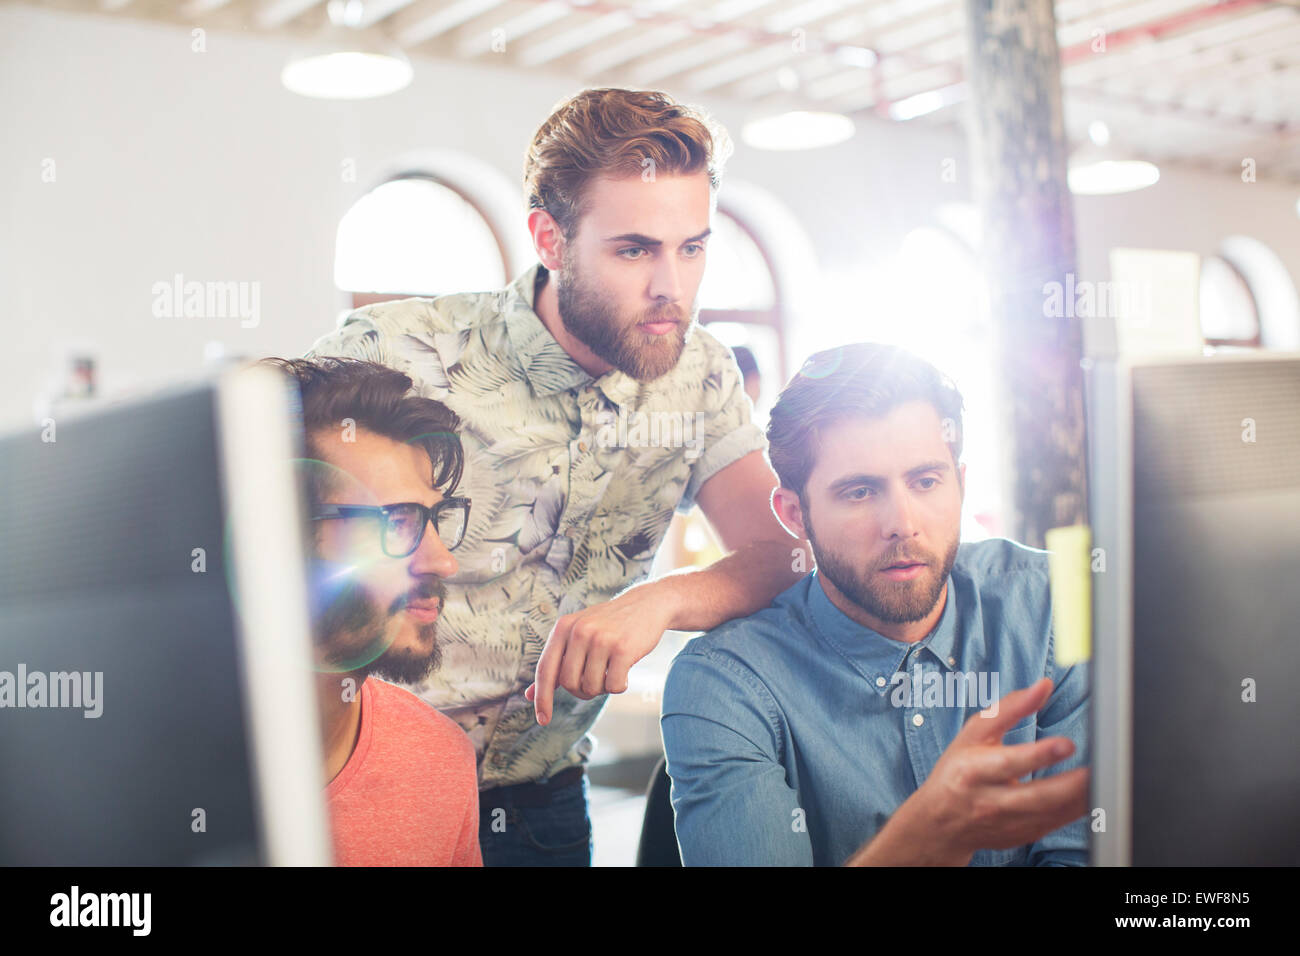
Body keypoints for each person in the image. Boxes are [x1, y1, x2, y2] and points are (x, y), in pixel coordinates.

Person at [303, 87, 809, 866]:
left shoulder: (700, 375)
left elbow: (786, 551)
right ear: (550, 237)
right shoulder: (398, 349)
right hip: (372, 785)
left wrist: (658, 602)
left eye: (693, 247)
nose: (672, 287)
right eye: (635, 250)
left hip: (543, 802)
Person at [661, 343, 1090, 866]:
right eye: (861, 492)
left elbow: (1084, 853)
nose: (903, 523)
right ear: (795, 515)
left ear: (961, 484)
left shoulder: (1051, 602)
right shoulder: (725, 685)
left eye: (927, 481)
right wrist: (923, 841)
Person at [264, 356, 482, 866]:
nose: (442, 562)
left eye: (434, 519)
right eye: (397, 520)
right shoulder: (146, 776)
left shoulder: (439, 761)